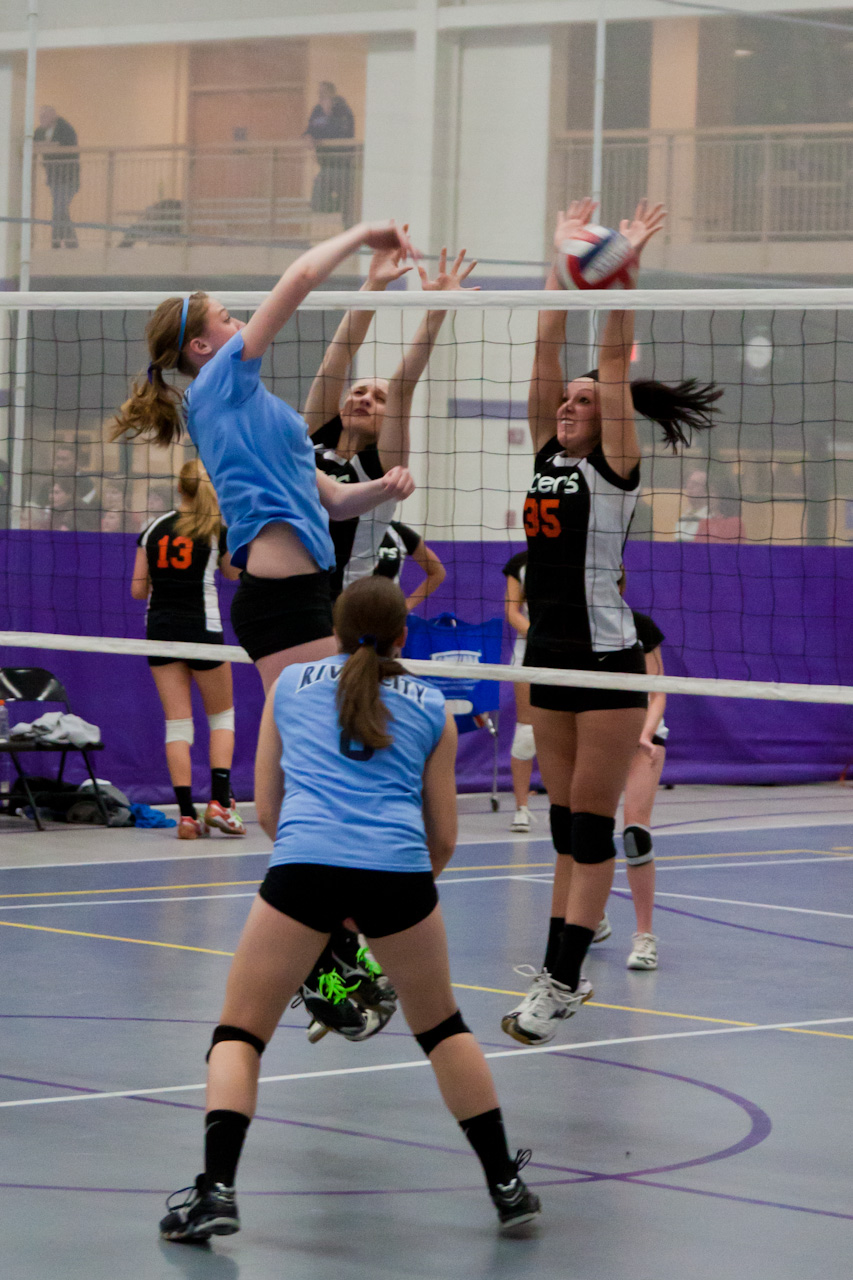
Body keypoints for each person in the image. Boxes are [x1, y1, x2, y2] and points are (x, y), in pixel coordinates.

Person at [157, 576, 541, 1243]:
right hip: (399, 874)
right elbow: (443, 838)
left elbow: (268, 809)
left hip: (304, 867)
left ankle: (216, 1191)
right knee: (442, 1029)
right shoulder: (431, 705)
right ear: (403, 636)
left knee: (239, 1036)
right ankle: (505, 1186)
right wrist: (387, 899)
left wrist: (321, 896)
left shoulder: (289, 686)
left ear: (333, 630)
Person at [501, 197, 721, 1047]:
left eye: (584, 402)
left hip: (604, 661)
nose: (568, 404)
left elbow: (604, 364)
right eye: (566, 400)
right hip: (546, 655)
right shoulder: (545, 454)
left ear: (606, 418)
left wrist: (618, 267)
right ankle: (562, 960)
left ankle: (560, 984)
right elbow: (545, 348)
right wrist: (559, 255)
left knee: (592, 827)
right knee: (564, 828)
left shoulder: (612, 469)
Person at [112, 219, 416, 699]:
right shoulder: (217, 384)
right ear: (201, 346)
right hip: (280, 594)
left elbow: (335, 501)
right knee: (325, 718)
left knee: (313, 722)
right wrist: (361, 235)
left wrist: (385, 487)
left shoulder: (253, 409)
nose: (239, 324)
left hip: (307, 588)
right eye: (227, 317)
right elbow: (301, 277)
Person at [305, 243, 476, 595]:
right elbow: (338, 356)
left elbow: (403, 386)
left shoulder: (383, 468)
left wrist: (436, 311)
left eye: (378, 399)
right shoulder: (316, 439)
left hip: (344, 602)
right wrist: (374, 284)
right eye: (358, 392)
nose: (365, 399)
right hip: (291, 593)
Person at [131, 459, 244, 840]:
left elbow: (137, 589)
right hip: (203, 630)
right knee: (222, 717)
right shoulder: (215, 530)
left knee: (177, 723)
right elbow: (233, 574)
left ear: (179, 487)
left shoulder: (153, 529)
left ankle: (185, 817)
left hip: (160, 630)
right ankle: (219, 803)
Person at [502, 550, 538, 833]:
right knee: (527, 732)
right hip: (530, 650)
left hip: (572, 652)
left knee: (571, 730)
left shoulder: (582, 555)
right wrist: (541, 637)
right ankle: (522, 808)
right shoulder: (521, 563)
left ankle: (573, 807)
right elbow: (512, 611)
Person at [304, 81, 356, 225]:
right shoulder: (317, 110)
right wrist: (308, 136)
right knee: (317, 203)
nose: (320, 95)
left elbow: (343, 133)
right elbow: (310, 129)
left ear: (332, 94)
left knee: (347, 205)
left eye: (324, 92)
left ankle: (347, 222)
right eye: (319, 92)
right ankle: (341, 208)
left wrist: (329, 113)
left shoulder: (343, 110)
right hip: (326, 165)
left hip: (342, 165)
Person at [373, 520, 446, 611]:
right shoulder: (355, 529)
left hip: (387, 610)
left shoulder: (396, 531)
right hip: (356, 608)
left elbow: (437, 572)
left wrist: (407, 606)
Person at [33, 106, 79, 249]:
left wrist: (49, 146)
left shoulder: (65, 128)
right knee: (61, 210)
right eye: (41, 117)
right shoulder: (39, 131)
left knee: (59, 209)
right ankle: (71, 242)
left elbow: (66, 145)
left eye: (45, 116)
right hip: (54, 178)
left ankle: (56, 243)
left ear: (53, 116)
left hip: (68, 177)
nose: (42, 120)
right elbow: (33, 144)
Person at [673, 467, 709, 541]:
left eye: (695, 484)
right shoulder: (683, 516)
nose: (689, 487)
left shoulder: (711, 517)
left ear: (706, 490)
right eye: (688, 483)